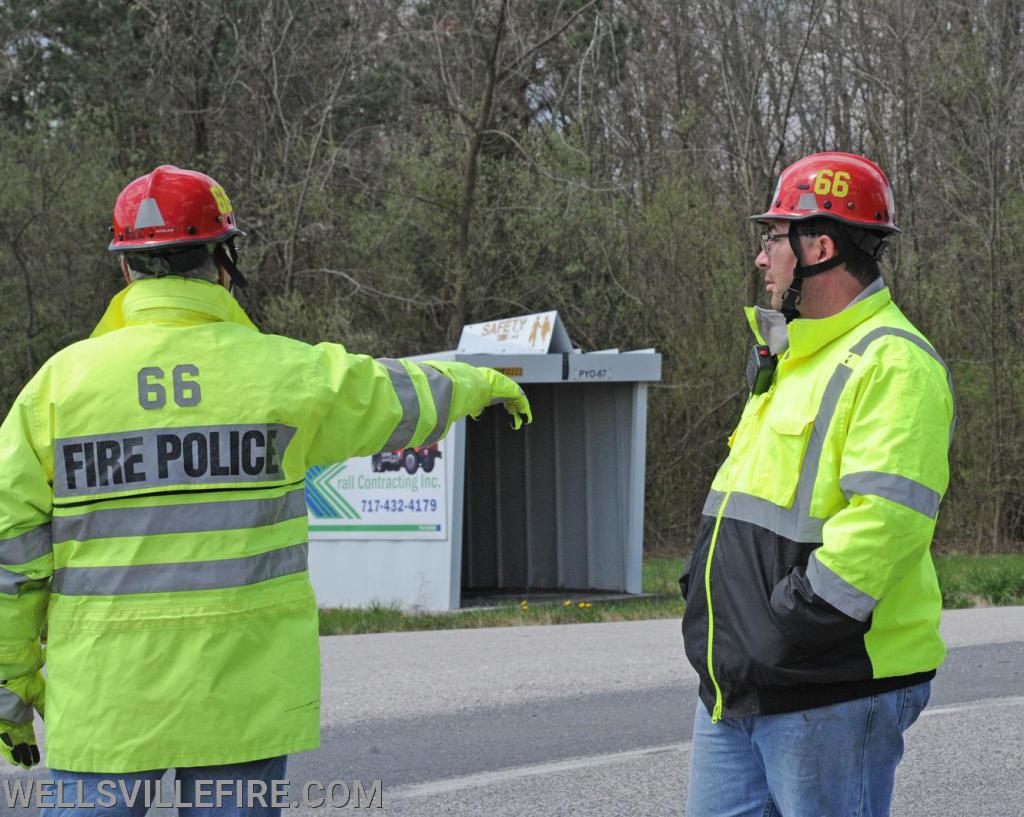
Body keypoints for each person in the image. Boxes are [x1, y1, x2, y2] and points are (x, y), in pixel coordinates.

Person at [0, 165, 531, 815]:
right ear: (223, 261)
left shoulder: (56, 390)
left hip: (106, 710)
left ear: (126, 270)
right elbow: (391, 394)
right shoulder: (285, 375)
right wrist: (483, 384)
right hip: (241, 706)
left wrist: (11, 696)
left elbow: (9, 562)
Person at [680, 152, 955, 817]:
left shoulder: (894, 360)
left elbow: (884, 524)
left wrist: (783, 628)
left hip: (827, 687)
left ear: (820, 245)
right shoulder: (795, 357)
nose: (761, 257)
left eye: (773, 237)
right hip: (739, 683)